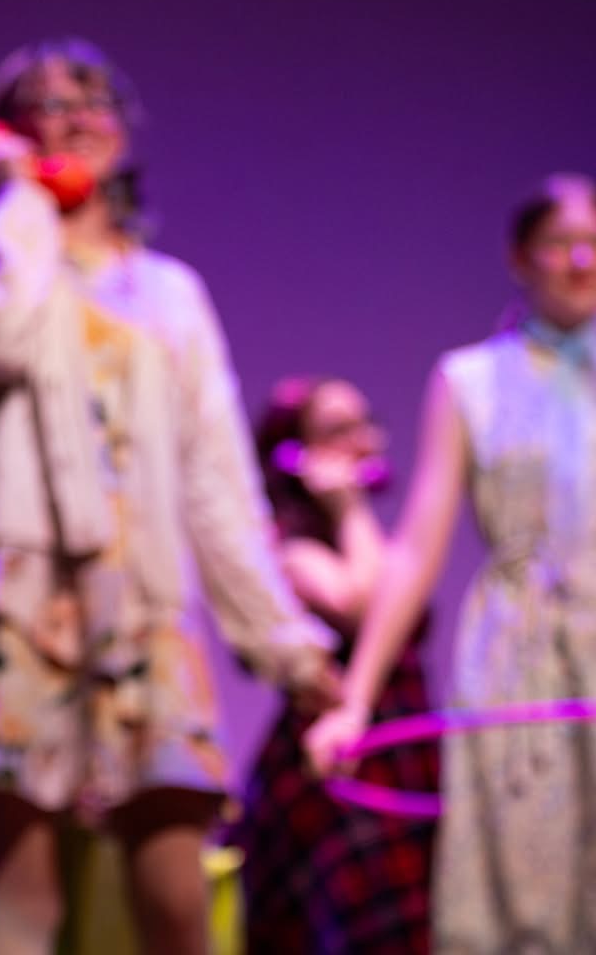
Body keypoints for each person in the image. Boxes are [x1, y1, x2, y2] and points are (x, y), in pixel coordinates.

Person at [0, 37, 340, 955]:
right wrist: (20, 197)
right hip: (21, 591)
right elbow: (3, 336)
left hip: (139, 598)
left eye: (92, 102)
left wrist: (284, 643)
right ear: (3, 131)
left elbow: (217, 476)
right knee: (23, 896)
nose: (74, 120)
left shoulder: (169, 292)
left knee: (175, 891)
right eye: (45, 105)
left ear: (123, 131)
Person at [307, 173, 596, 952]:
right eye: (559, 244)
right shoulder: (471, 380)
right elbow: (416, 549)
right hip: (522, 658)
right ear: (520, 257)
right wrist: (358, 698)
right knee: (530, 895)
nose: (581, 261)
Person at [229, 376, 437, 952]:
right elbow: (364, 605)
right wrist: (346, 507)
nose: (363, 441)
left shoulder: (373, 537)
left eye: (364, 424)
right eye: (338, 431)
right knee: (368, 922)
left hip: (402, 747)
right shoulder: (290, 551)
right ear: (295, 455)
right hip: (336, 761)